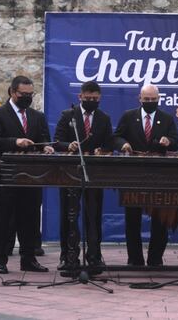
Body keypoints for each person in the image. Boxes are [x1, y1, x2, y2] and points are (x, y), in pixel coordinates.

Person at [0, 76, 54, 274]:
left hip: (32, 176)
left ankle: (29, 258)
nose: (27, 98)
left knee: (30, 218)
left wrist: (47, 148)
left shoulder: (37, 116)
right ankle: (0, 259)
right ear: (12, 92)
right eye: (23, 94)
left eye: (30, 94)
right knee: (4, 219)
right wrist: (15, 142)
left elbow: (44, 139)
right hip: (8, 175)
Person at [112, 84, 178, 267]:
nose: (150, 102)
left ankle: (155, 259)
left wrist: (168, 141)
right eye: (146, 99)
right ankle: (135, 260)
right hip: (133, 175)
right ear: (139, 99)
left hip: (160, 176)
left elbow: (176, 142)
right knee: (132, 220)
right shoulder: (128, 116)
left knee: (160, 220)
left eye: (153, 99)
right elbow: (116, 137)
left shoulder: (166, 118)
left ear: (158, 99)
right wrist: (123, 144)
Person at [53, 81, 113, 273]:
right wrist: (67, 146)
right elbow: (57, 142)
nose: (91, 101)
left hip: (94, 173)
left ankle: (94, 255)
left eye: (95, 99)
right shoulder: (68, 115)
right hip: (69, 173)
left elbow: (109, 145)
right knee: (68, 216)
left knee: (93, 215)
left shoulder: (104, 118)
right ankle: (67, 256)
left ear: (100, 98)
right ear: (80, 97)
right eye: (88, 99)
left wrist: (102, 150)